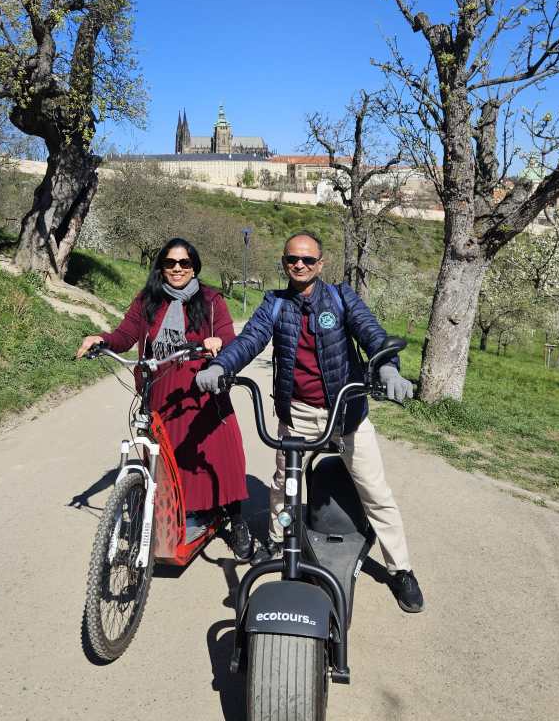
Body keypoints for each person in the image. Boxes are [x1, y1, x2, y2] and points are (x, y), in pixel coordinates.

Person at [195, 230, 424, 613]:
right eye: (291, 260)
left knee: (375, 492)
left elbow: (372, 334)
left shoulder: (340, 297)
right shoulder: (274, 303)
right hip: (298, 413)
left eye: (307, 260)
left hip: (346, 412)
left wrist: (387, 368)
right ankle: (277, 544)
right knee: (285, 487)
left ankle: (401, 569)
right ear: (284, 263)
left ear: (321, 264)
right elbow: (250, 340)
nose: (299, 265)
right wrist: (221, 365)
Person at [77, 237, 253, 560]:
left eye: (184, 263)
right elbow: (125, 335)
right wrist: (101, 339)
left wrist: (218, 343)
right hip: (160, 391)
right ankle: (175, 516)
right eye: (170, 263)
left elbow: (229, 338)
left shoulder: (211, 300)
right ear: (161, 266)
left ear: (194, 267)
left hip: (201, 391)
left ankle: (237, 519)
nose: (177, 269)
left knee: (220, 456)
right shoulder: (148, 301)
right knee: (167, 461)